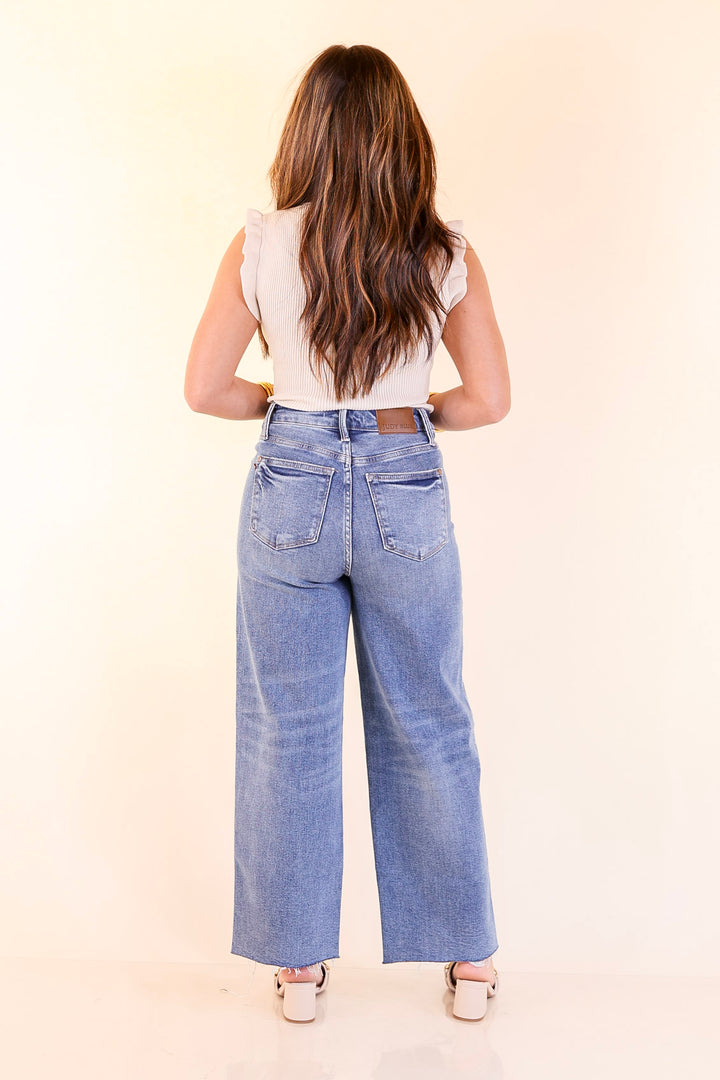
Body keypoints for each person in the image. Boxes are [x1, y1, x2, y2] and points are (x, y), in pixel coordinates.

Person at [184, 43, 510, 1023]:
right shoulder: (443, 251)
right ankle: (471, 963)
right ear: (402, 137)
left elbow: (205, 389)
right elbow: (489, 401)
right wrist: (404, 417)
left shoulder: (259, 244)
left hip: (291, 485)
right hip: (405, 488)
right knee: (431, 720)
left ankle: (295, 971)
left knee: (289, 730)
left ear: (306, 135)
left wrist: (297, 405)